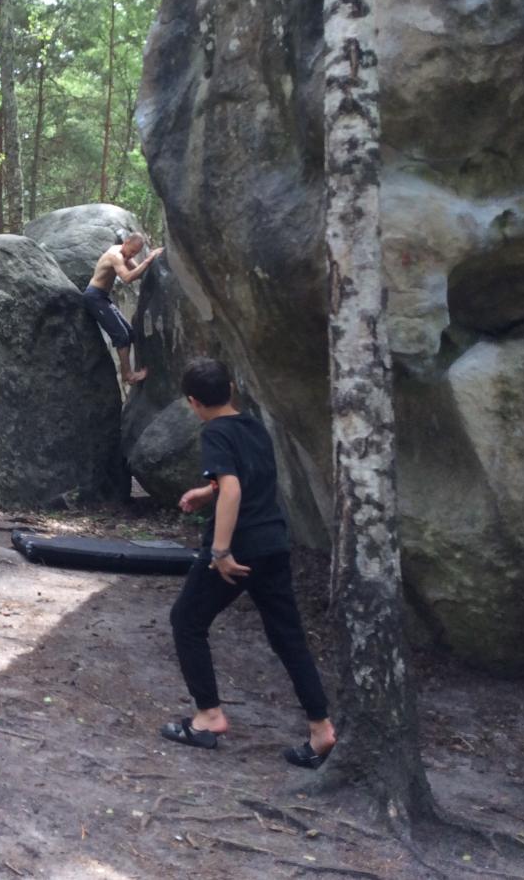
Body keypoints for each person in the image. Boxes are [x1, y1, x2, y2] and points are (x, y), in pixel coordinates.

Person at [160, 358, 337, 770]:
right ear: (232, 389)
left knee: (187, 621)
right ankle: (321, 729)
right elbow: (244, 477)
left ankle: (208, 717)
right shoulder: (253, 425)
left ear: (193, 402)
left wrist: (221, 551)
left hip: (240, 549)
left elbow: (236, 489)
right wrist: (208, 491)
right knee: (287, 636)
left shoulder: (215, 432)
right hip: (273, 540)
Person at [83, 230, 163, 384]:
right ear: (125, 242)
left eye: (135, 253)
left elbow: (137, 272)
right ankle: (127, 375)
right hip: (94, 297)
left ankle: (135, 368)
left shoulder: (125, 254)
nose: (131, 255)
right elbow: (127, 278)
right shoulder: (116, 255)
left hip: (103, 298)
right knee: (121, 336)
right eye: (132, 251)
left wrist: (154, 259)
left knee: (130, 333)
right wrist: (148, 260)